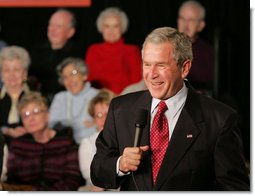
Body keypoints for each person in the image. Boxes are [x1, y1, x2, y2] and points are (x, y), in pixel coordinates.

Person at [90, 27, 249, 191]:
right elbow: (97, 170)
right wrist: (121, 164)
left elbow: (234, 189)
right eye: (147, 64)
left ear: (185, 68)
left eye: (161, 65)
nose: (151, 74)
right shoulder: (120, 109)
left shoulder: (219, 119)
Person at [1, 92, 82, 191]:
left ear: (47, 115)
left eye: (36, 112)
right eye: (25, 115)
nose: (31, 118)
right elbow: (12, 181)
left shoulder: (66, 143)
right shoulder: (17, 145)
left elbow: (72, 180)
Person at [29, 8, 84, 102]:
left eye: (58, 26)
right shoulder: (36, 50)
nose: (52, 30)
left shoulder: (78, 54)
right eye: (50, 25)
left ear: (70, 32)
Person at [85, 7, 142, 94]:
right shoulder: (93, 50)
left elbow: (137, 82)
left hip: (125, 97)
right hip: (98, 98)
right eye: (107, 26)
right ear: (101, 28)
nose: (111, 31)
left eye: (116, 26)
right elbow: (88, 79)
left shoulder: (132, 50)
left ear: (122, 28)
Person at [49, 57, 99, 144]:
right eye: (65, 77)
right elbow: (50, 125)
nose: (70, 80)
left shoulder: (97, 95)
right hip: (65, 146)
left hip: (94, 145)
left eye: (73, 73)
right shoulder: (60, 98)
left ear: (84, 75)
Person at [78, 89, 115, 191]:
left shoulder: (128, 138)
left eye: (108, 114)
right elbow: (90, 175)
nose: (104, 119)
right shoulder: (87, 143)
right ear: (94, 119)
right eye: (99, 115)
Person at [177, 0, 214, 94]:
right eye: (182, 19)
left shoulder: (209, 53)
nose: (185, 25)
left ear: (201, 26)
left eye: (191, 20)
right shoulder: (166, 46)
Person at [0, 46, 31, 143]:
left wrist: (29, 129)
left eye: (16, 70)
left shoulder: (36, 98)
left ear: (25, 74)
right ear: (1, 75)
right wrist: (6, 130)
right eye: (6, 70)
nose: (11, 75)